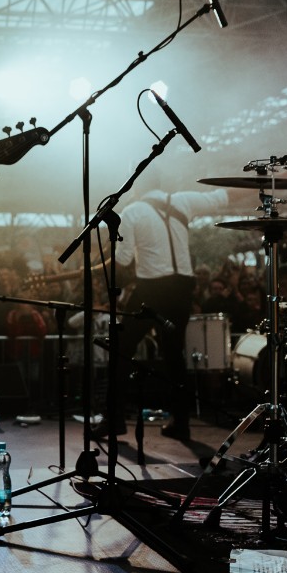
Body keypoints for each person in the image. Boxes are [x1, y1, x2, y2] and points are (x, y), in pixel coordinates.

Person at [107, 176, 233, 442]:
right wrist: (267, 183)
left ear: (136, 186)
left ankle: (113, 419)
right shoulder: (182, 200)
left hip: (151, 288)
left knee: (120, 348)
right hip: (182, 288)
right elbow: (224, 197)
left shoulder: (132, 211)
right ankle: (181, 423)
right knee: (174, 354)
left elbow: (123, 259)